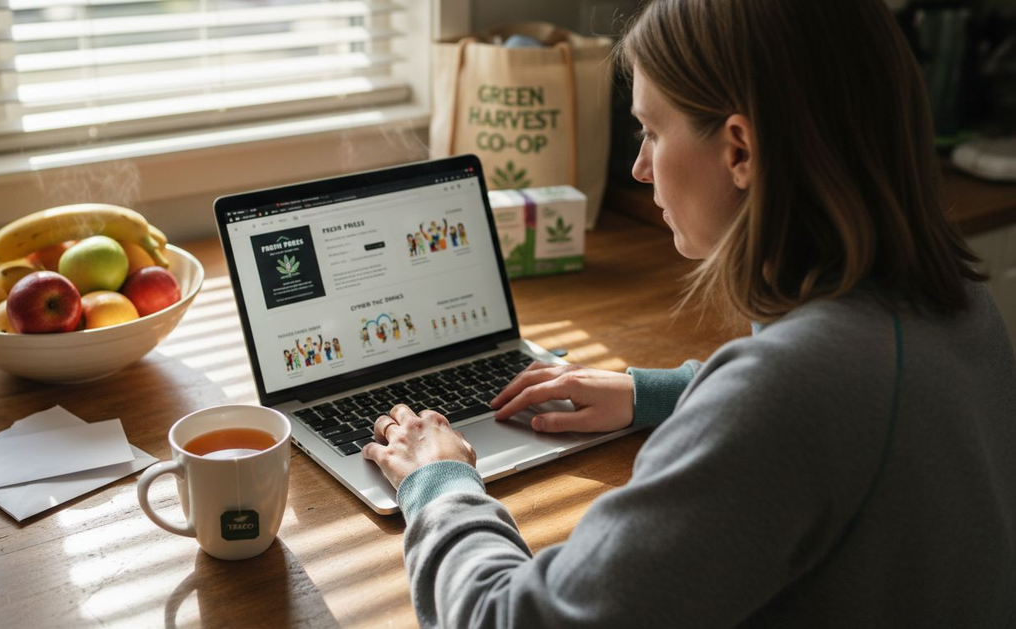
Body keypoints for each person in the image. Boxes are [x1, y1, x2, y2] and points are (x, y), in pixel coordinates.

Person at [361, 0, 1016, 626]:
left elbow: (508, 618)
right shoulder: (952, 296)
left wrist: (439, 483)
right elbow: (830, 410)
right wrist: (664, 391)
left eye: (651, 129)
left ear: (740, 150)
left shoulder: (790, 393)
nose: (641, 167)